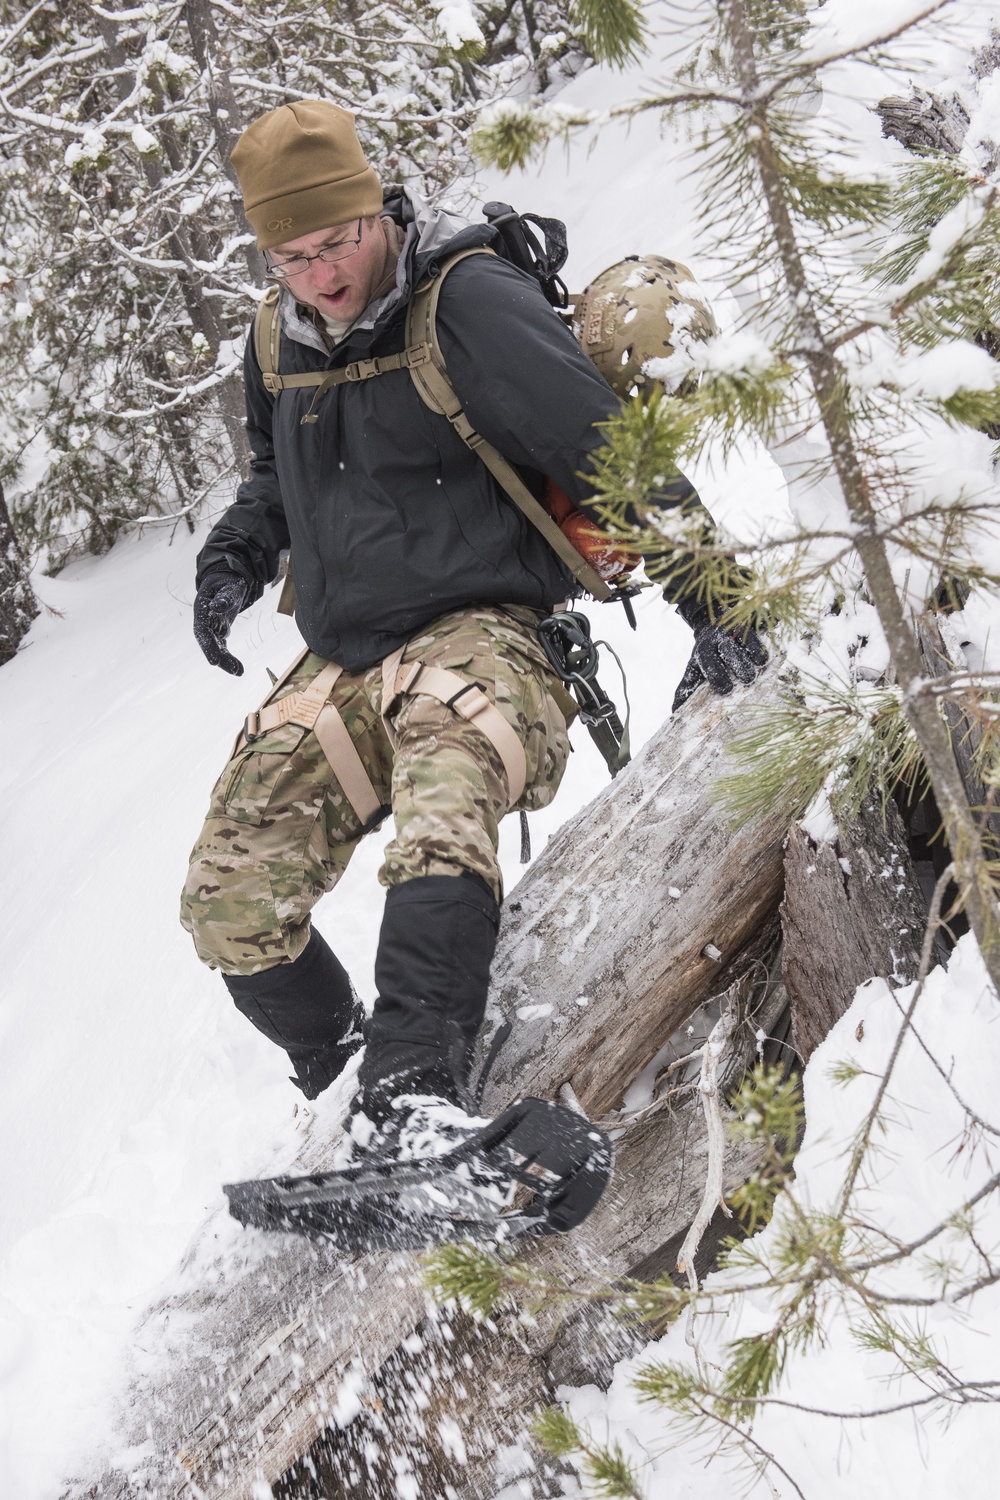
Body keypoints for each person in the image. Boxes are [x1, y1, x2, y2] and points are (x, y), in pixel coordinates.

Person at [179, 100, 765, 1160]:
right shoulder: (274, 340)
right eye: (290, 254)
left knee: (443, 809)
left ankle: (410, 1093)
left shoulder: (467, 301)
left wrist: (716, 600)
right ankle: (342, 1079)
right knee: (229, 898)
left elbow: (600, 447)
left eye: (337, 241)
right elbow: (277, 478)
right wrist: (230, 558)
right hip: (345, 652)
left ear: (374, 210)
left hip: (485, 628)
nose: (318, 274)